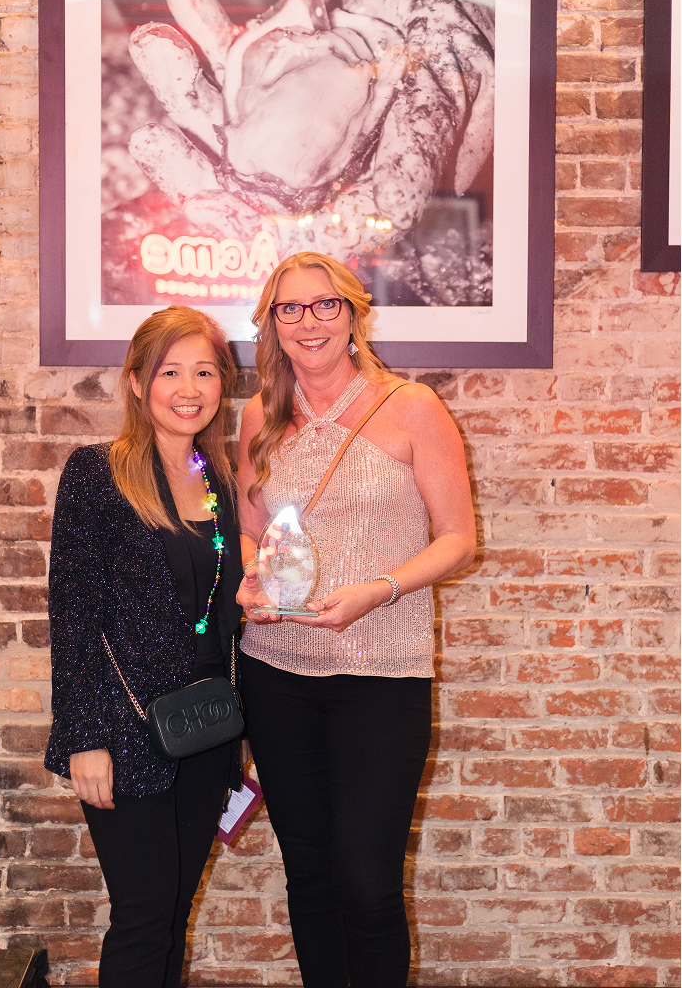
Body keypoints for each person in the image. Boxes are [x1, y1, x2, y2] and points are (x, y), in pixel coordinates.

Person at [236, 252, 476, 988]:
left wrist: (379, 588)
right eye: (290, 309)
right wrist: (249, 575)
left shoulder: (412, 407)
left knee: (368, 882)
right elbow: (250, 525)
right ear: (272, 326)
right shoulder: (258, 415)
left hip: (381, 673)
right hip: (276, 670)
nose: (308, 322)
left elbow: (459, 539)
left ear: (352, 314)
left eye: (324, 305)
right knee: (307, 874)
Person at [44, 306, 244, 988]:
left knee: (173, 917)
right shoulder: (97, 473)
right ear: (136, 382)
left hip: (205, 731)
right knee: (141, 915)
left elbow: (222, 616)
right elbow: (72, 616)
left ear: (223, 384)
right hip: (123, 737)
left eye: (205, 371)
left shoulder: (218, 483)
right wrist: (83, 737)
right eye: (169, 372)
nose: (188, 387)